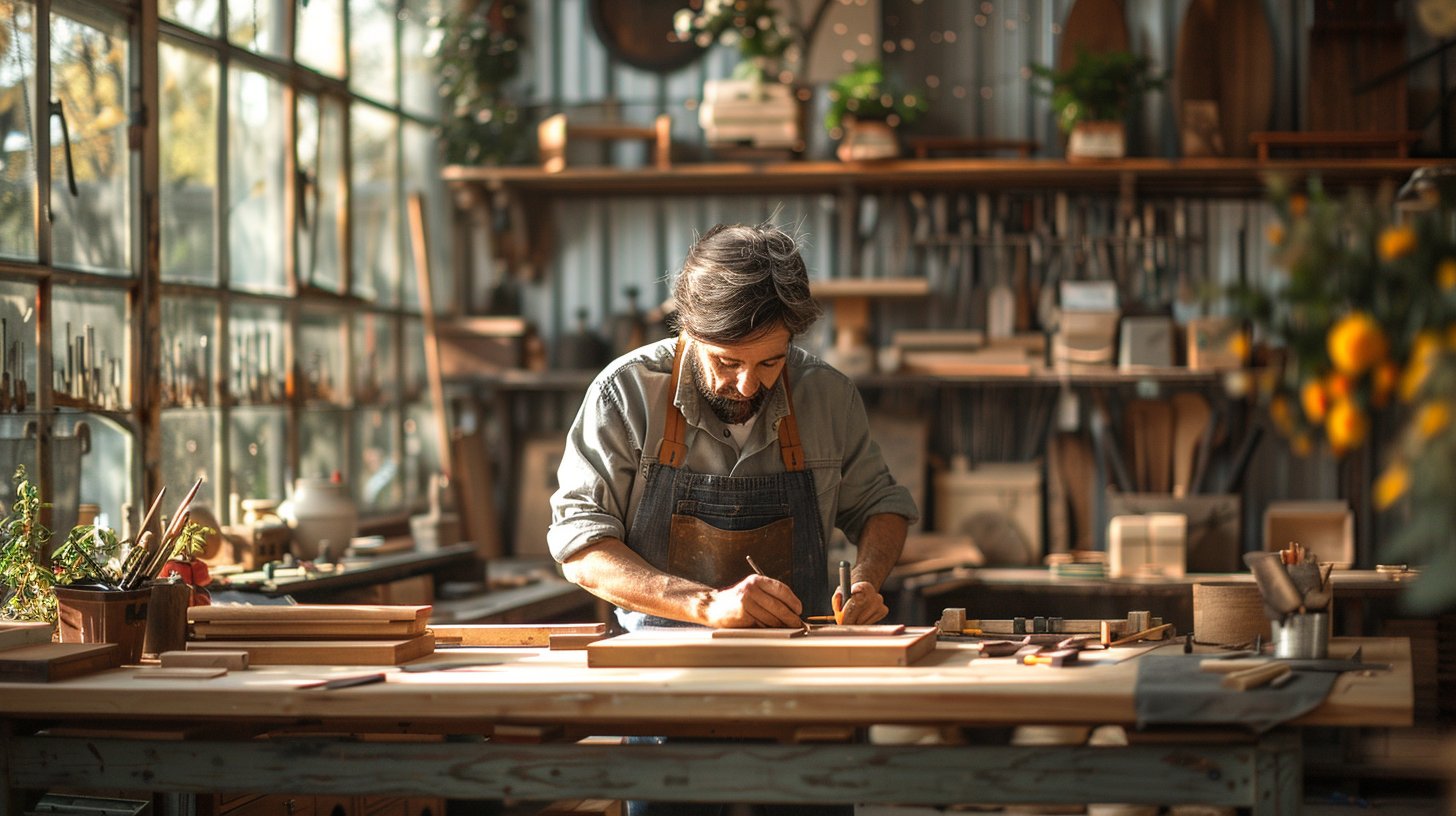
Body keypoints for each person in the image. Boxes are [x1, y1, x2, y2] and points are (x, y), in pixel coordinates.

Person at [548, 221, 918, 814]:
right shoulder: (625, 394)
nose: (748, 385)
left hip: (804, 692)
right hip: (664, 692)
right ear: (686, 327)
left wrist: (869, 579)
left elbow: (884, 506)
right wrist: (705, 606)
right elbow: (581, 549)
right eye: (726, 361)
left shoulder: (826, 396)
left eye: (771, 363)